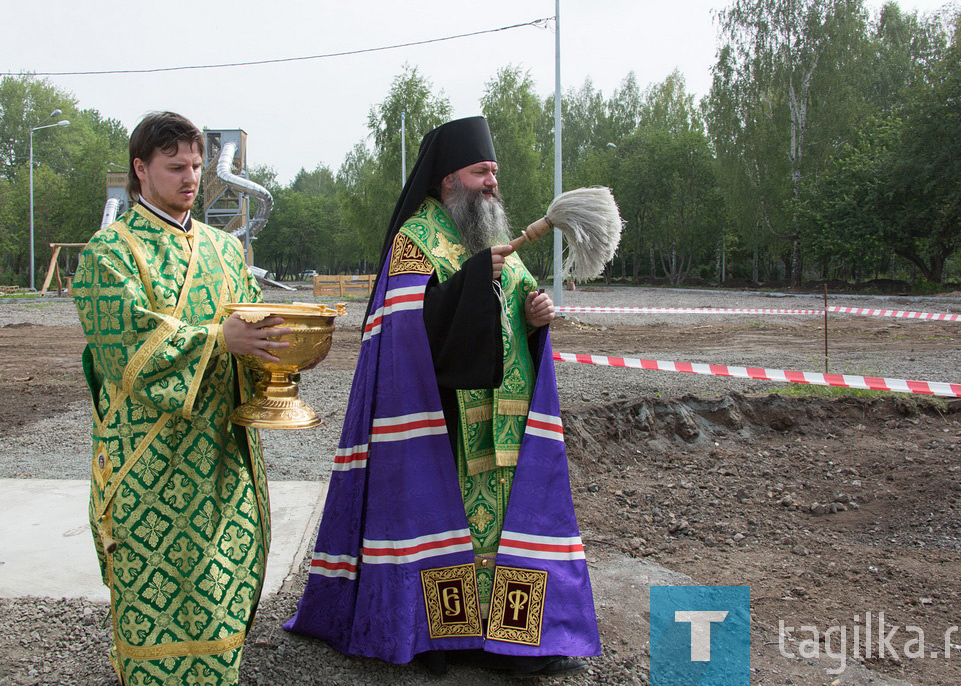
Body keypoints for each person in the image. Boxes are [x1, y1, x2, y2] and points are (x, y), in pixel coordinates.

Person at [285, 116, 600, 676]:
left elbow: (519, 304)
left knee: (508, 524)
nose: (492, 183)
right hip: (442, 421)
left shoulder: (489, 235)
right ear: (449, 179)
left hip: (504, 418)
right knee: (444, 523)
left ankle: (515, 637)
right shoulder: (417, 239)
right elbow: (406, 326)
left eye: (495, 173)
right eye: (482, 172)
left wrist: (535, 317)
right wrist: (473, 281)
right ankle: (441, 636)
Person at [72, 111, 291, 686]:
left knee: (221, 594)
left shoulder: (225, 251)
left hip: (221, 456)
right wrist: (220, 338)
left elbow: (250, 330)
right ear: (141, 170)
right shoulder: (108, 253)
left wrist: (278, 357)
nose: (191, 177)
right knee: (155, 608)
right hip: (149, 464)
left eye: (196, 165)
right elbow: (126, 347)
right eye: (175, 166)